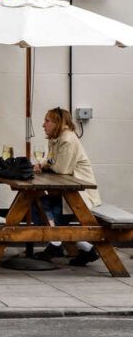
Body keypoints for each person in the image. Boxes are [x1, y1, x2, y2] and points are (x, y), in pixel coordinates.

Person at [32, 107, 101, 266]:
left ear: (58, 123)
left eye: (47, 121)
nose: (43, 125)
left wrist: (45, 166)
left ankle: (58, 245)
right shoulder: (56, 138)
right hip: (66, 189)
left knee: (48, 207)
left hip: (79, 192)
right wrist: (43, 165)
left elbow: (62, 169)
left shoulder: (67, 139)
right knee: (38, 204)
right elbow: (51, 161)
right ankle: (83, 248)